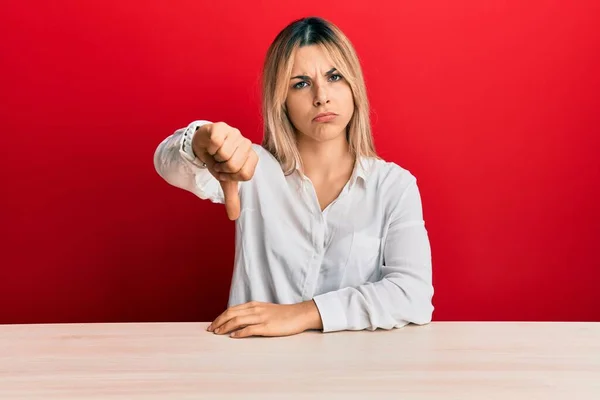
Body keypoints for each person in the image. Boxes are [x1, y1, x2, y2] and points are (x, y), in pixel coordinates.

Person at [153, 16, 434, 339]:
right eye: (300, 83)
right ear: (281, 101)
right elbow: (167, 164)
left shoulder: (393, 186)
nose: (321, 96)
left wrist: (303, 314)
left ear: (354, 85)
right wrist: (203, 140)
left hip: (355, 375)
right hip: (257, 372)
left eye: (334, 77)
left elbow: (413, 294)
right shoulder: (251, 167)